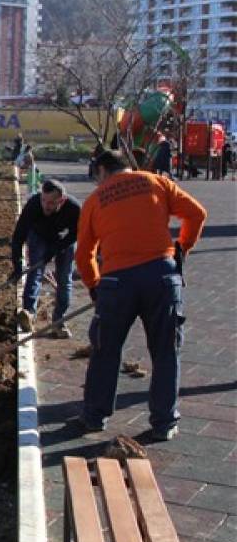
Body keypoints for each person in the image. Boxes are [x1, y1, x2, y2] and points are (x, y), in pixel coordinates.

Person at [74, 150, 207, 441]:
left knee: (105, 350)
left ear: (103, 171)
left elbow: (84, 254)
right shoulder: (156, 182)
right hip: (161, 277)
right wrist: (182, 248)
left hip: (116, 281)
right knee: (165, 352)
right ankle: (164, 423)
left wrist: (95, 286)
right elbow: (197, 214)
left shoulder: (95, 200)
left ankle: (95, 416)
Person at [11, 179, 81, 337]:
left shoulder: (74, 208)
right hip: (38, 235)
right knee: (35, 272)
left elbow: (76, 234)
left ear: (61, 200)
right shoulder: (34, 205)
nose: (46, 205)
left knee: (64, 278)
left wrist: (57, 248)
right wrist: (17, 264)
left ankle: (59, 321)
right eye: (44, 200)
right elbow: (18, 235)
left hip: (63, 238)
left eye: (51, 202)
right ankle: (28, 315)